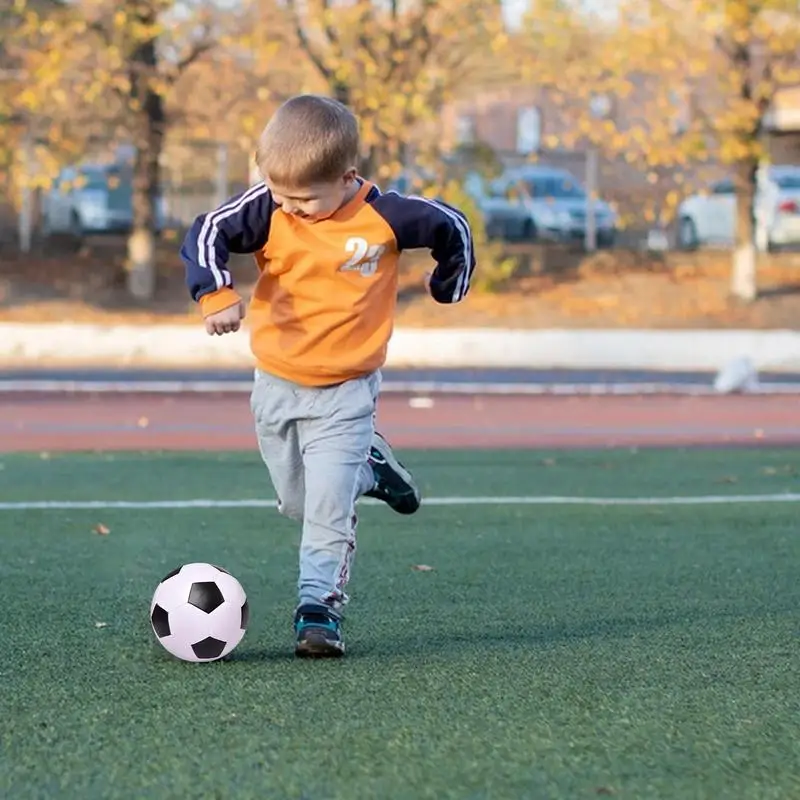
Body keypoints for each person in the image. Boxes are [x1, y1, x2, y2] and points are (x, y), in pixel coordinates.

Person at [180, 94, 475, 658]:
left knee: (325, 511)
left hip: (347, 394)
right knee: (297, 503)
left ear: (347, 177)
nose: (289, 207)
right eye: (279, 193)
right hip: (276, 387)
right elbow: (205, 232)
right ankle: (371, 465)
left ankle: (318, 608)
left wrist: (448, 283)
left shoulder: (383, 217)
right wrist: (216, 293)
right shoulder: (269, 208)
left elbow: (451, 226)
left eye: (304, 198)